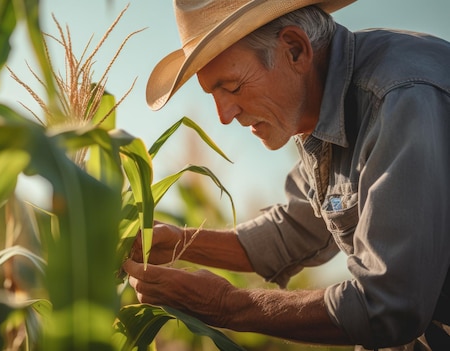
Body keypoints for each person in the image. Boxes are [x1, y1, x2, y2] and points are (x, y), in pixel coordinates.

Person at [121, 0, 450, 350]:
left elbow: (388, 308)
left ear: (295, 49)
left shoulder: (401, 101)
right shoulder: (318, 106)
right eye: (213, 95)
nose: (224, 115)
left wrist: (225, 305)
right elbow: (295, 231)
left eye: (231, 87)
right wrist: (176, 242)